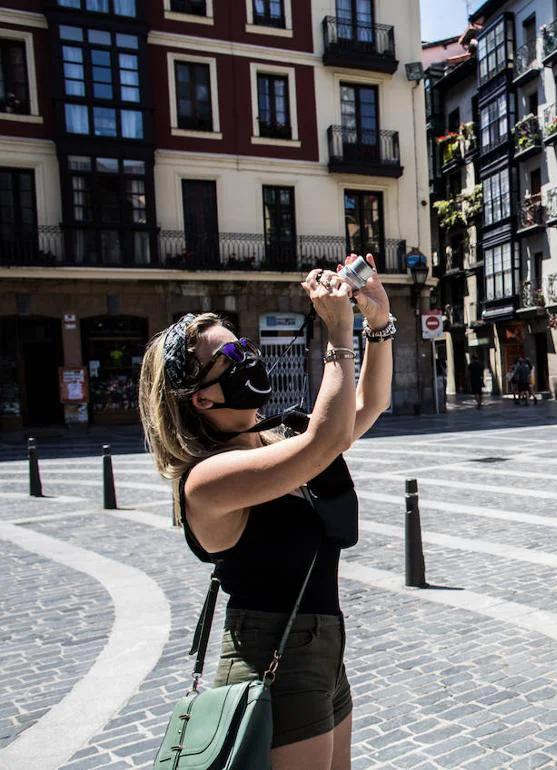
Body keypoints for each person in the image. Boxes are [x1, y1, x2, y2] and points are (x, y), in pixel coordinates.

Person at [138, 256, 394, 770]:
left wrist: (379, 323)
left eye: (243, 343)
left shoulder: (275, 439)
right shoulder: (206, 480)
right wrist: (339, 333)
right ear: (202, 399)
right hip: (271, 657)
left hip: (322, 645)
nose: (246, 355)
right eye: (230, 353)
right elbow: (327, 440)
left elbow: (367, 407)